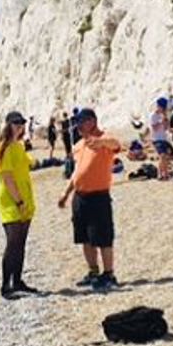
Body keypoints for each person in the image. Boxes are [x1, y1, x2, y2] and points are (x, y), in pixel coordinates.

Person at [58, 108, 121, 291]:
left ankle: (109, 274)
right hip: (80, 196)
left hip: (98, 195)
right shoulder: (78, 145)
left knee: (103, 237)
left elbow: (116, 144)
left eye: (82, 121)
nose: (78, 125)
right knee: (85, 237)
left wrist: (100, 142)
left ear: (92, 121)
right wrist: (66, 193)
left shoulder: (104, 139)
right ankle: (93, 271)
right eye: (77, 122)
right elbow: (77, 172)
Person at [0, 111, 38, 299]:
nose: (20, 126)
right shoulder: (3, 148)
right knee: (12, 244)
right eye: (16, 123)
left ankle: (17, 281)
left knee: (20, 244)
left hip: (25, 200)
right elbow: (7, 178)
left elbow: (30, 163)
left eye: (22, 123)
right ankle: (6, 286)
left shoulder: (18, 146)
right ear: (8, 125)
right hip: (11, 202)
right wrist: (18, 201)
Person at [149, 97, 173, 180]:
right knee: (162, 156)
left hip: (164, 138)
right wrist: (160, 122)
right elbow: (154, 128)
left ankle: (165, 174)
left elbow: (166, 128)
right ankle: (159, 174)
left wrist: (166, 121)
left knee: (165, 157)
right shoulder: (153, 115)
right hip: (156, 139)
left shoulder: (163, 115)